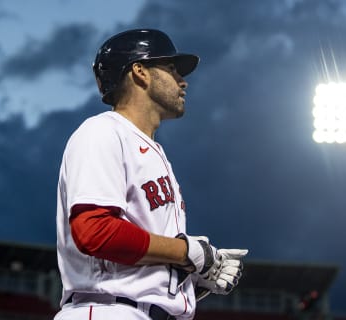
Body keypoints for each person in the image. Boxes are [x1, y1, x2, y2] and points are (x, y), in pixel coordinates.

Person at [54, 29, 248, 320]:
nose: (183, 82)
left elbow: (140, 262)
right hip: (107, 309)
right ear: (140, 71)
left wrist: (196, 272)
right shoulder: (102, 132)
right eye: (171, 69)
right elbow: (95, 231)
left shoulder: (153, 152)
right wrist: (186, 251)